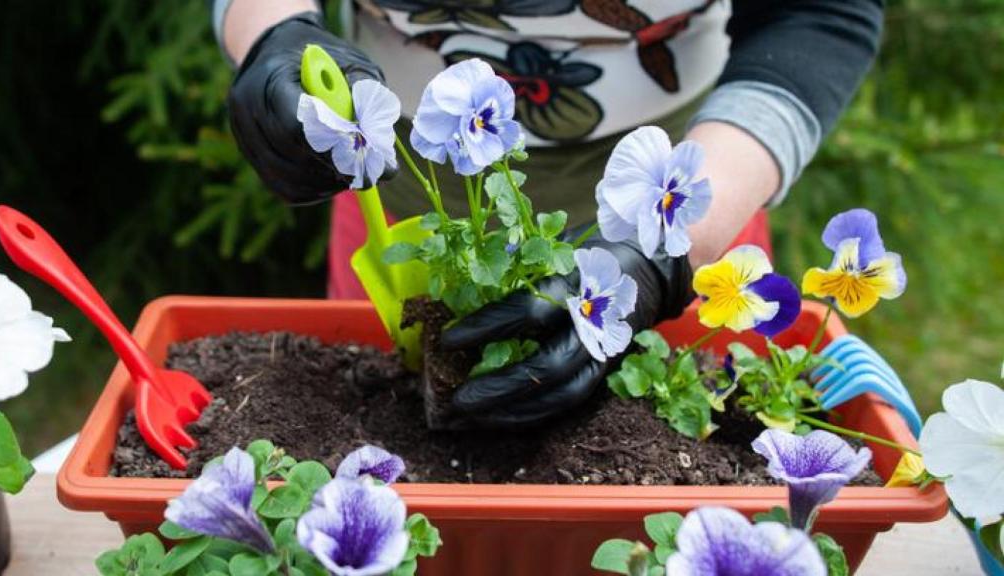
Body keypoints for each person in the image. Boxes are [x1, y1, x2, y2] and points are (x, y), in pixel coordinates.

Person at [219, 0, 884, 427]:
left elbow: (817, 12)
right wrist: (276, 32)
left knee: (699, 417)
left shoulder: (686, 219)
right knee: (387, 399)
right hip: (404, 174)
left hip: (693, 179)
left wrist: (672, 257)